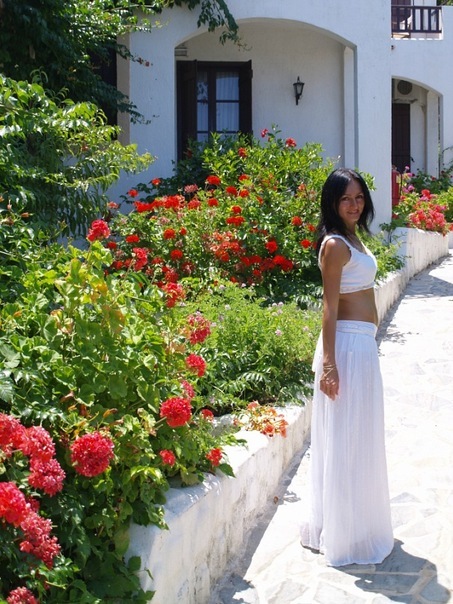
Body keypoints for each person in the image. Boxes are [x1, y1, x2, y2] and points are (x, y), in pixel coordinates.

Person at [300, 168, 394, 566]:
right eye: (345, 199)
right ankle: (343, 533)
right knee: (345, 437)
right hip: (346, 349)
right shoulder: (335, 245)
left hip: (361, 346)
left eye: (358, 197)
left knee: (358, 435)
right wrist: (329, 364)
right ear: (332, 203)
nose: (354, 205)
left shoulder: (354, 237)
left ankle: (353, 524)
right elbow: (329, 306)